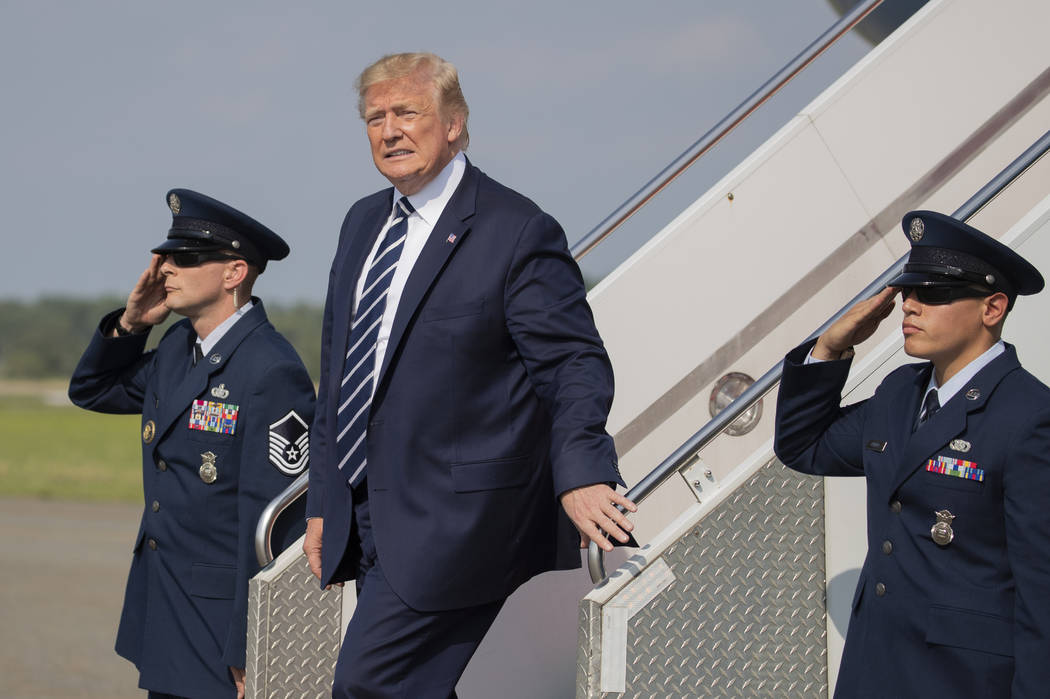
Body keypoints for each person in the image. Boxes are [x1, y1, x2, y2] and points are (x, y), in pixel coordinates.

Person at [303, 52, 636, 698]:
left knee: (369, 684)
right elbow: (340, 371)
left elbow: (573, 362)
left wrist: (584, 466)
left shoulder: (515, 231)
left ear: (453, 123)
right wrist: (323, 497)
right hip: (369, 513)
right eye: (375, 117)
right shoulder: (360, 224)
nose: (389, 130)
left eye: (407, 112)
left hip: (456, 520)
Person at [774, 210, 1050, 697]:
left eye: (935, 294)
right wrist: (829, 348)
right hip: (874, 668)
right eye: (908, 293)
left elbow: (1042, 596)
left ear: (993, 308)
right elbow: (803, 446)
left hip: (960, 680)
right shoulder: (900, 394)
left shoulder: (1029, 416)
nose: (911, 307)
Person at [68, 189, 316, 699]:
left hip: (222, 623)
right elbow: (93, 390)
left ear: (234, 273)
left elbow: (274, 524)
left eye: (186, 258)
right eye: (166, 257)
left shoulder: (271, 369)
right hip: (167, 601)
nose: (166, 271)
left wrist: (255, 644)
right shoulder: (179, 346)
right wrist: (133, 323)